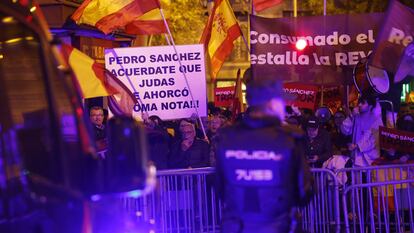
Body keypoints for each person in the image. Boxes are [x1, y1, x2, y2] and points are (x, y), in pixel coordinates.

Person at [215, 79, 313, 233]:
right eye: (282, 101)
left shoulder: (226, 137)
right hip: (278, 226)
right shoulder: (289, 138)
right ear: (272, 103)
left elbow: (220, 188)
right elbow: (304, 191)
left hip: (236, 226)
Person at [341, 94, 383, 167]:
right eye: (359, 102)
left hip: (371, 160)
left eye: (363, 103)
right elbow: (344, 130)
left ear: (370, 106)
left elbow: (374, 141)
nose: (359, 105)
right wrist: (351, 116)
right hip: (356, 159)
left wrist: (357, 146)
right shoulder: (355, 117)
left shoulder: (377, 120)